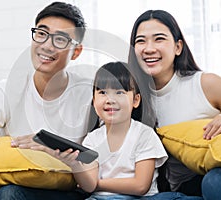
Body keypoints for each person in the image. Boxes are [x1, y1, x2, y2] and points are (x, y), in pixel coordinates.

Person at [0, 2, 93, 200]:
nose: (47, 45)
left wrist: (50, 146)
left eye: (61, 39)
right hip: (12, 180)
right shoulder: (4, 90)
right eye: (41, 33)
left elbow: (98, 158)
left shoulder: (90, 93)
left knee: (9, 194)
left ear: (76, 52)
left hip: (63, 188)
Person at [43, 61, 202, 200]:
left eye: (119, 92)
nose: (110, 100)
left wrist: (98, 185)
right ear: (93, 100)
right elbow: (88, 185)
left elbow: (141, 186)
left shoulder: (144, 134)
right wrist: (75, 165)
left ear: (135, 100)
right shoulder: (92, 139)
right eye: (102, 92)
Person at [128, 9, 221, 200]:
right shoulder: (130, 98)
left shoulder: (205, 83)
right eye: (140, 41)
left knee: (216, 182)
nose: (149, 48)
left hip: (215, 177)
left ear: (178, 47)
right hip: (174, 191)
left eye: (159, 39)